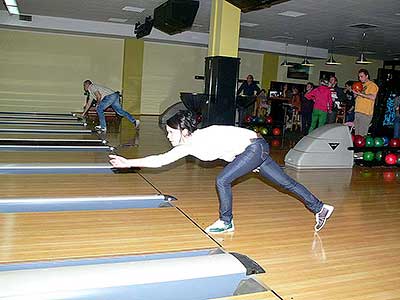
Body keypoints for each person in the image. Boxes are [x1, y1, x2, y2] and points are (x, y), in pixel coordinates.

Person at [109, 110, 334, 234]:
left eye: (170, 132)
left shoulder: (206, 135)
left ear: (184, 130)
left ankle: (226, 222)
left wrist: (250, 156)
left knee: (222, 179)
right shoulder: (190, 144)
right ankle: (321, 208)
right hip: (252, 152)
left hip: (255, 147)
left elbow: (244, 135)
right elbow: (160, 160)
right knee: (286, 184)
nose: (168, 136)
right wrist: (129, 163)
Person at [353, 69, 379, 136]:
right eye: (359, 77)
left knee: (362, 134)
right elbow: (356, 96)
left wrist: (360, 94)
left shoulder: (372, 85)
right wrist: (355, 93)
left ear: (367, 76)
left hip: (366, 113)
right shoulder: (360, 85)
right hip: (358, 111)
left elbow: (373, 97)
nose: (360, 78)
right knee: (356, 134)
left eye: (361, 76)